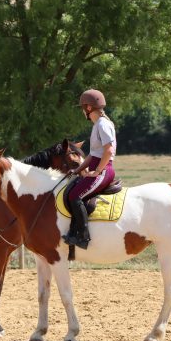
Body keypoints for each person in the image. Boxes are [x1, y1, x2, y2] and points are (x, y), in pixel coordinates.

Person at [63, 89, 117, 250]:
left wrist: (98, 171)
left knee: (74, 196)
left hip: (104, 170)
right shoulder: (96, 126)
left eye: (82, 107)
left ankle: (83, 237)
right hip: (96, 167)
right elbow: (92, 155)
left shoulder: (103, 124)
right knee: (71, 191)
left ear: (88, 108)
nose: (81, 111)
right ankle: (73, 233)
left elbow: (108, 151)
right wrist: (78, 169)